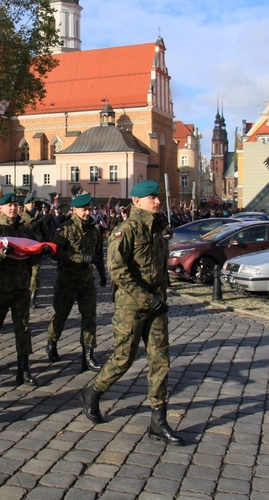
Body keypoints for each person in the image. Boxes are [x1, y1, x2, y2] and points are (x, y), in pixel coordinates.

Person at [80, 180, 185, 446]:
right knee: (123, 358)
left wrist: (160, 294)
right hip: (132, 305)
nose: (157, 201)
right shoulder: (126, 230)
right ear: (137, 202)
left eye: (157, 197)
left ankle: (158, 421)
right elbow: (117, 271)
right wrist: (145, 298)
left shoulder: (158, 228)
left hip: (156, 303)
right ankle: (92, 391)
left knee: (160, 360)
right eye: (151, 198)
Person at [0, 192, 49, 386]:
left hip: (20, 286)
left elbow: (31, 255)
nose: (13, 208)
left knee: (23, 327)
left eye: (16, 205)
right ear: (0, 208)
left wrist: (41, 253)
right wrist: (2, 253)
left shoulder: (26, 229)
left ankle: (23, 368)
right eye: (8, 205)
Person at [46, 193, 107, 372]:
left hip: (87, 282)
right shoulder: (65, 229)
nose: (88, 213)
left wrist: (103, 274)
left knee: (89, 318)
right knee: (61, 316)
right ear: (75, 210)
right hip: (67, 281)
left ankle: (88, 355)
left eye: (90, 209)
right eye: (84, 210)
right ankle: (52, 341)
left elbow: (98, 256)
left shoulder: (95, 231)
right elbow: (55, 254)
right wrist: (79, 258)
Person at [20, 194, 51, 309]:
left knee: (35, 274)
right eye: (29, 203)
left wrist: (48, 245)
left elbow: (45, 232)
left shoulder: (39, 217)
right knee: (24, 274)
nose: (31, 205)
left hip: (36, 249)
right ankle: (24, 296)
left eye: (32, 203)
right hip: (24, 250)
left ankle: (32, 298)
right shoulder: (20, 217)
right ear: (25, 205)